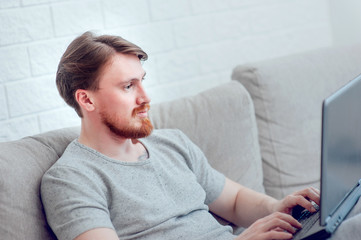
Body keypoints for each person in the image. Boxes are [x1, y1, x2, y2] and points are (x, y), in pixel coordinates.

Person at [41, 31, 320, 240]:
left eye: (142, 82)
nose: (145, 98)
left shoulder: (171, 143)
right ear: (86, 100)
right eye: (128, 86)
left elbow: (234, 202)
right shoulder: (70, 179)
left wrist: (278, 208)